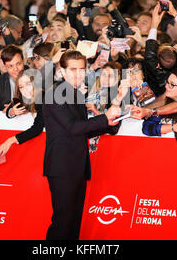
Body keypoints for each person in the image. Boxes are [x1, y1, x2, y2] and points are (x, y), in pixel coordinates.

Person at [42, 50, 121, 240]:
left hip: (77, 166)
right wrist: (103, 119)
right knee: (63, 222)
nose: (78, 74)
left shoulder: (76, 95)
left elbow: (83, 130)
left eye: (81, 70)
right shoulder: (55, 94)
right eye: (73, 70)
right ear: (62, 71)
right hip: (62, 167)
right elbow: (72, 127)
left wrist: (108, 125)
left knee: (74, 222)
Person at [0, 45, 26, 153]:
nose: (16, 69)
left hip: (31, 135)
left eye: (18, 64)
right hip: (5, 135)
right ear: (5, 67)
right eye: (10, 66)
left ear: (23, 61)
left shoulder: (35, 77)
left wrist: (10, 109)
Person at [0, 71, 44, 157]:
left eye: (28, 84)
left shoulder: (44, 98)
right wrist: (12, 111)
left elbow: (37, 128)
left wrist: (10, 141)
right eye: (21, 87)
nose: (25, 90)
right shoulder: (24, 98)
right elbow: (9, 109)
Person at [142, 67, 177, 137]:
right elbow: (147, 128)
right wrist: (173, 127)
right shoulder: (164, 103)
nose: (166, 86)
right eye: (167, 82)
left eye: (172, 84)